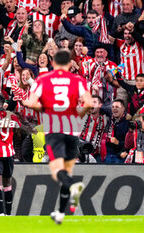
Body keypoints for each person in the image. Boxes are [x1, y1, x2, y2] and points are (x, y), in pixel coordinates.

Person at [22, 49, 93, 224]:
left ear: (53, 64)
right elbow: (89, 103)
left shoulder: (44, 80)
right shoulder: (77, 80)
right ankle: (61, 212)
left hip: (54, 129)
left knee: (57, 171)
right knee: (66, 171)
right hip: (72, 129)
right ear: (69, 64)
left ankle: (74, 187)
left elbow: (31, 103)